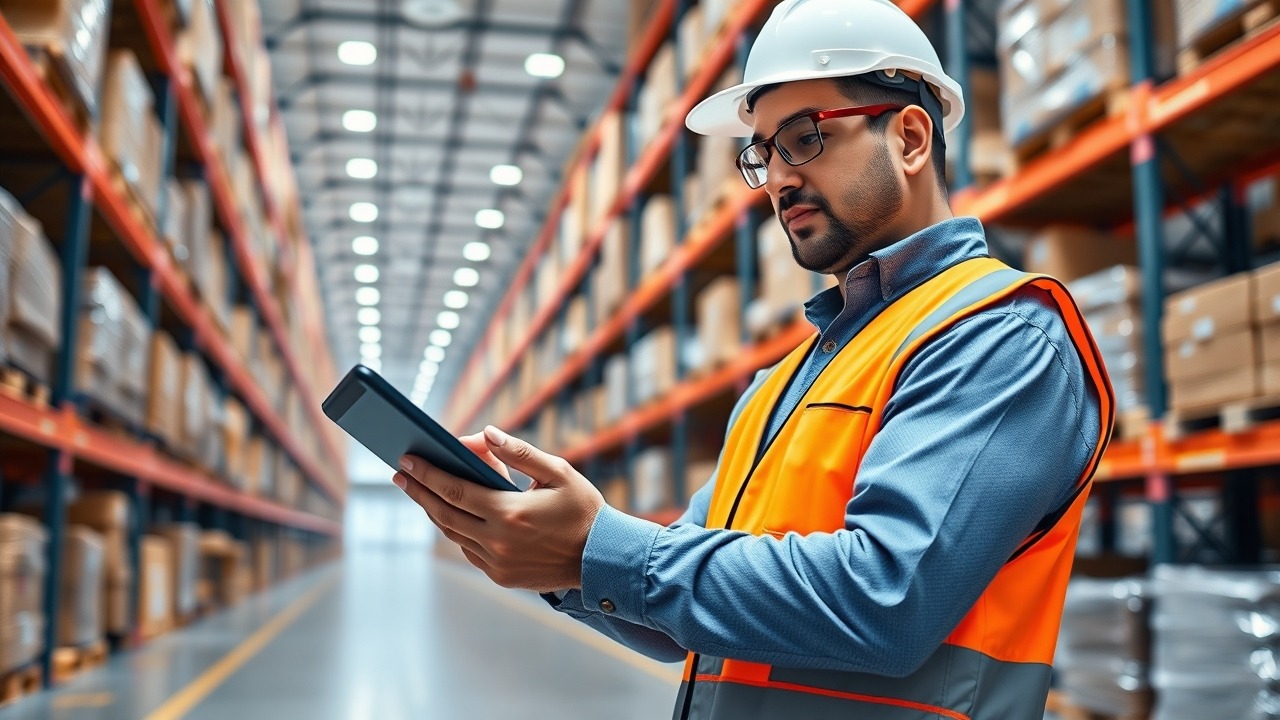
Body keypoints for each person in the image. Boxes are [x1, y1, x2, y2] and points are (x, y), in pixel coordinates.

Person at [391, 0, 1115, 717]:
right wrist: (557, 558)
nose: (777, 179)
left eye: (803, 138)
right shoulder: (780, 387)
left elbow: (887, 600)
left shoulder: (999, 336)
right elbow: (675, 612)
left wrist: (600, 549)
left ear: (912, 138)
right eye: (763, 153)